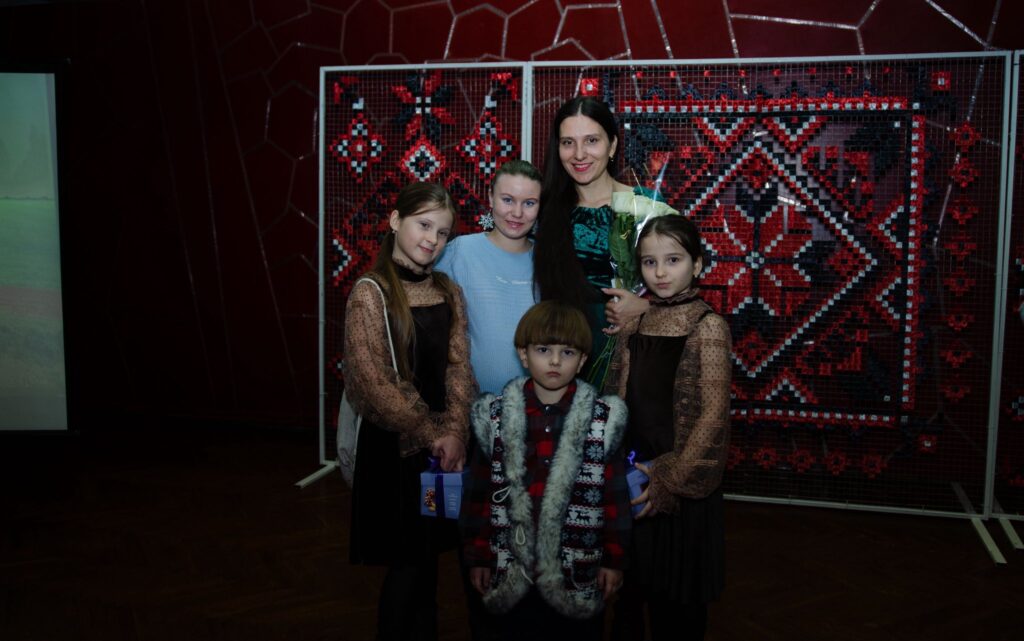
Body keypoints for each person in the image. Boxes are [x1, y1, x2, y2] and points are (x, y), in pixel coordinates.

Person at [342, 181, 477, 641]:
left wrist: (455, 431)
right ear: (396, 221)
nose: (431, 239)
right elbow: (372, 381)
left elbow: (459, 368)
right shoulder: (371, 293)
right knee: (406, 564)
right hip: (396, 453)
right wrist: (432, 433)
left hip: (440, 458)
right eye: (423, 225)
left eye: (442, 232)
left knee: (428, 563)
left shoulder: (448, 291)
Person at [460, 301, 632, 641]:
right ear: (523, 355)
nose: (555, 361)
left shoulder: (602, 422)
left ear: (582, 360)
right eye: (543, 350)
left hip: (576, 571)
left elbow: (615, 497)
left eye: (567, 352)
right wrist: (478, 556)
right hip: (510, 569)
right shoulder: (495, 419)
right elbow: (479, 493)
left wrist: (613, 560)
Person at [604, 215, 732, 641]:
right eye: (649, 262)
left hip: (679, 486)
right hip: (633, 479)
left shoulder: (707, 326)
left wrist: (669, 478)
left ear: (698, 264)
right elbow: (617, 399)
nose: (660, 272)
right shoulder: (636, 324)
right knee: (628, 599)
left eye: (673, 260)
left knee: (676, 609)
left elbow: (712, 417)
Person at [533, 96, 654, 388]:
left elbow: (685, 287)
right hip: (561, 352)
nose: (579, 154)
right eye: (568, 143)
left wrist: (646, 307)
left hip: (634, 353)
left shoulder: (645, 206)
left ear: (612, 145)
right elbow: (496, 227)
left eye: (591, 141)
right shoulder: (543, 207)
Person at [435, 159, 542, 395]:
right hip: (470, 404)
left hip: (534, 406)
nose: (517, 213)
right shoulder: (458, 252)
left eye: (529, 203)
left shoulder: (548, 263)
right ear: (491, 198)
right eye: (508, 200)